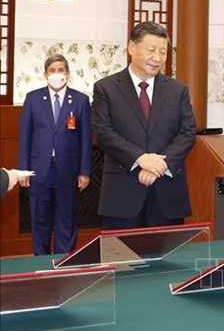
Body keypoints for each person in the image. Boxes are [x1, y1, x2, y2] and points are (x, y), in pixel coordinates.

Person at [92, 22, 196, 229]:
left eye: (162, 52)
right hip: (123, 192)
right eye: (151, 50)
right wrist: (140, 159)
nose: (157, 58)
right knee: (123, 258)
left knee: (168, 259)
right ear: (132, 48)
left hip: (167, 191)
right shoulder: (106, 88)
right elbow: (103, 133)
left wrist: (159, 166)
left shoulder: (177, 90)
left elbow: (187, 132)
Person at [18, 54, 92, 255]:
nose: (56, 74)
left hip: (68, 171)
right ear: (45, 74)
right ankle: (41, 263)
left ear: (67, 73)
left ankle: (63, 264)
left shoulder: (80, 100)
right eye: (52, 71)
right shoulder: (33, 98)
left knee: (66, 220)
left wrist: (84, 171)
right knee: (40, 220)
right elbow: (24, 136)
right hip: (39, 170)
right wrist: (23, 170)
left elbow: (86, 139)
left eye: (61, 70)